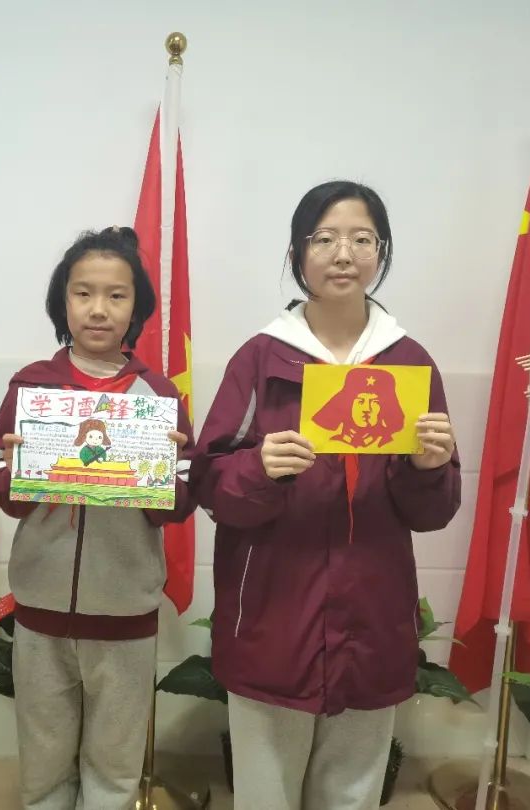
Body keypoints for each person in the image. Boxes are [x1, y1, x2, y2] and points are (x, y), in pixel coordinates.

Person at [192, 182, 461, 810]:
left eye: (362, 239)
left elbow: (434, 511)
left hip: (372, 616)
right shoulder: (260, 358)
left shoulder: (408, 361)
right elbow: (209, 483)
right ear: (297, 253)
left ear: (381, 252)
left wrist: (428, 468)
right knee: (265, 793)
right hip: (273, 615)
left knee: (353, 791)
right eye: (325, 239)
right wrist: (259, 469)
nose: (344, 254)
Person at [0, 227, 195, 810]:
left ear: (137, 308)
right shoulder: (33, 386)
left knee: (116, 757)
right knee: (44, 750)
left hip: (126, 607)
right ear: (62, 303)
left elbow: (181, 503)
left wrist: (166, 473)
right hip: (41, 605)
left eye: (116, 295)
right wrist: (16, 471)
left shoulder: (158, 395)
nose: (99, 309)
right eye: (83, 293)